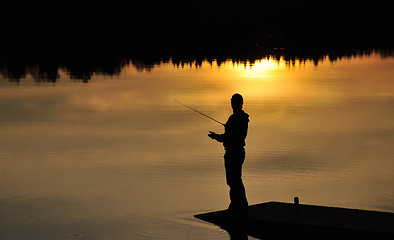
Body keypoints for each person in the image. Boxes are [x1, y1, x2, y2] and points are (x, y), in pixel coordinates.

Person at [208, 93, 249, 217]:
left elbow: (229, 137)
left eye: (233, 102)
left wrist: (216, 137)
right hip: (239, 152)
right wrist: (225, 133)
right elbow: (234, 135)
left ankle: (237, 206)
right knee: (236, 180)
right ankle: (240, 205)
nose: (231, 104)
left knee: (233, 180)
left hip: (233, 153)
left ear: (237, 104)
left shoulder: (234, 118)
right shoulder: (242, 118)